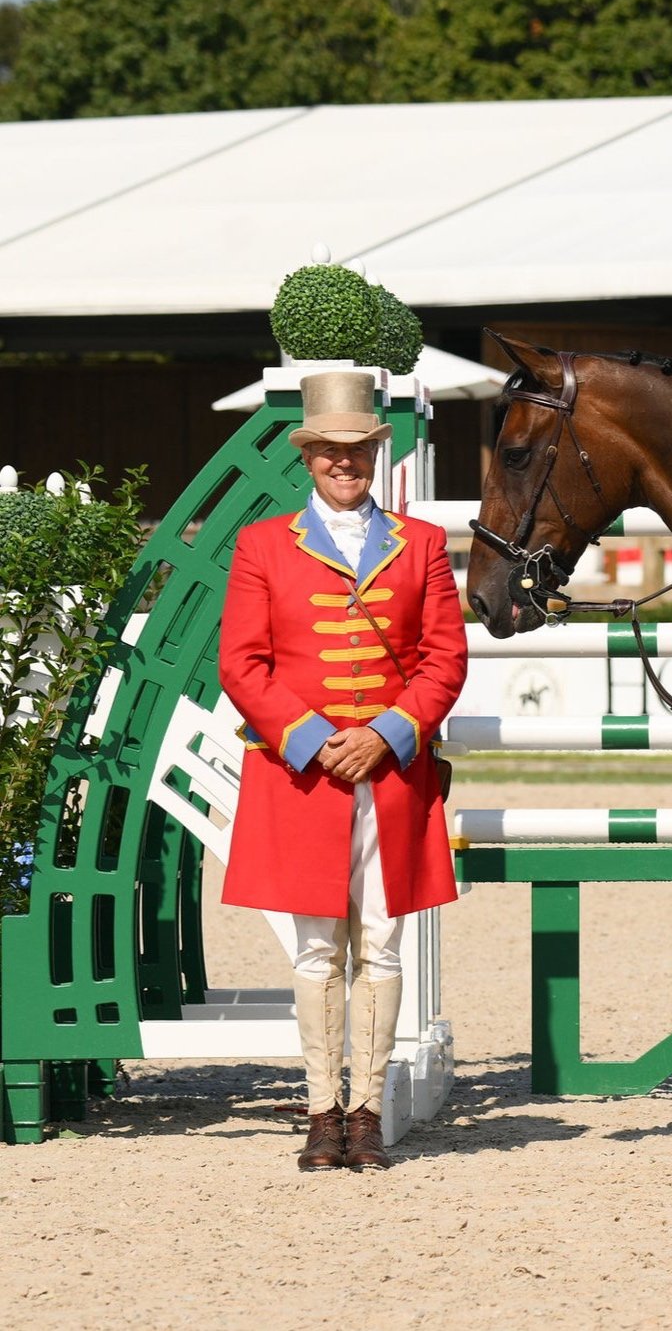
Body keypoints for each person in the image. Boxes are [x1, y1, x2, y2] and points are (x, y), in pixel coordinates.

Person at [219, 370, 468, 1172]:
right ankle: (321, 1107)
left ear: (376, 451)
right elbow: (242, 664)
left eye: (356, 447)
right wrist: (317, 738)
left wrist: (389, 732)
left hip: (390, 774)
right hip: (305, 774)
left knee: (383, 942)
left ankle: (368, 1109)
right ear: (309, 456)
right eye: (329, 449)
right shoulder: (263, 544)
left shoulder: (421, 542)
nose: (343, 461)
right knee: (316, 948)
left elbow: (444, 656)